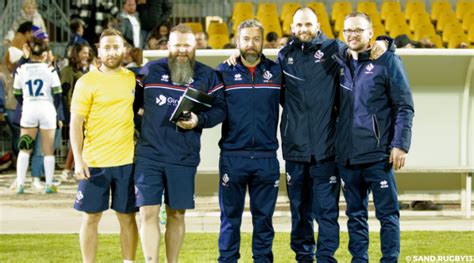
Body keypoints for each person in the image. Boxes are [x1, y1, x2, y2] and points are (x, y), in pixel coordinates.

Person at [134, 23, 225, 263]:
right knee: (148, 212)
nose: (182, 50)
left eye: (187, 45)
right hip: (149, 155)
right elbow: (131, 103)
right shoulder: (149, 71)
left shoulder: (208, 75)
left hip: (183, 157)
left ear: (196, 45)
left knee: (176, 214)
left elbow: (221, 110)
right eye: (177, 45)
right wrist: (139, 121)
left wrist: (198, 120)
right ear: (168, 46)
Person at [334, 12, 414, 262]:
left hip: (378, 154)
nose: (352, 35)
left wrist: (400, 144)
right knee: (355, 215)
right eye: (348, 30)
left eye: (358, 30)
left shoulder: (387, 61)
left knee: (387, 214)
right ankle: (359, 259)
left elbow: (404, 106)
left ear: (370, 33)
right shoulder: (339, 62)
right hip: (347, 156)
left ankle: (389, 259)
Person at [216, 19, 282, 262]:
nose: (251, 44)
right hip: (233, 158)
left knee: (264, 220)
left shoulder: (276, 71)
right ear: (238, 42)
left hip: (266, 159)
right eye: (246, 39)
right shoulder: (223, 71)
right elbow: (211, 109)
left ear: (263, 41)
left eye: (256, 39)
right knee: (230, 220)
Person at [70, 28, 138, 263]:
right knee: (90, 218)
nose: (111, 52)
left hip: (126, 162)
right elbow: (75, 123)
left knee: (127, 217)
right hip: (94, 162)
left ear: (124, 50)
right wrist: (78, 160)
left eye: (116, 47)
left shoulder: (132, 79)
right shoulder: (86, 82)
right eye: (106, 47)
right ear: (99, 50)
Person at [13, 37, 62, 194]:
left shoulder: (21, 69)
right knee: (47, 150)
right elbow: (58, 94)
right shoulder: (50, 70)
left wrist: (26, 102)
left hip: (29, 109)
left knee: (24, 149)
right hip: (46, 109)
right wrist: (52, 107)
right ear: (44, 54)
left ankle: (20, 184)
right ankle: (48, 184)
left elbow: (17, 94)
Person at [60, 43, 93, 182]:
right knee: (77, 141)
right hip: (74, 110)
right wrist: (68, 111)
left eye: (87, 53)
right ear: (76, 53)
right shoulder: (68, 70)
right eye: (83, 52)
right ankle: (67, 170)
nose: (86, 55)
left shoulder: (85, 70)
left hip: (84, 111)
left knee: (81, 141)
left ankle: (70, 170)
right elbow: (65, 90)